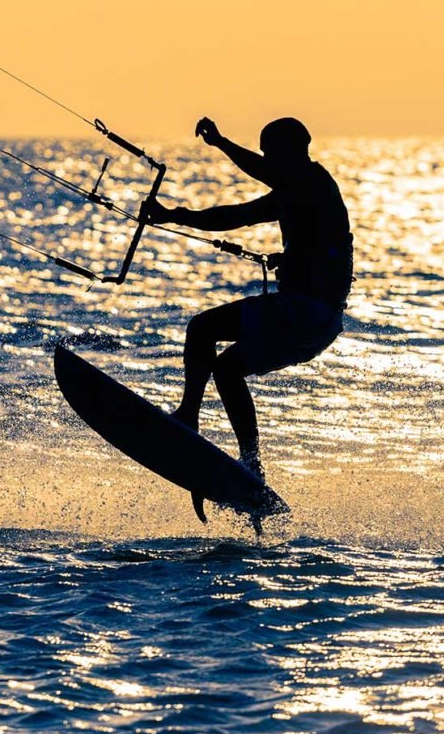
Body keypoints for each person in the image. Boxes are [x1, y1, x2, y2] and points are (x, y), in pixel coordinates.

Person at [149, 116, 353, 503]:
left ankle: (188, 416)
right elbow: (316, 240)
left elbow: (235, 215)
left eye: (270, 154)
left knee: (202, 329)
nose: (266, 163)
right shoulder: (309, 186)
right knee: (227, 369)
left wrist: (173, 214)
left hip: (302, 312)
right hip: (320, 323)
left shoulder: (305, 186)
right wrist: (292, 258)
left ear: (292, 151)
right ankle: (251, 463)